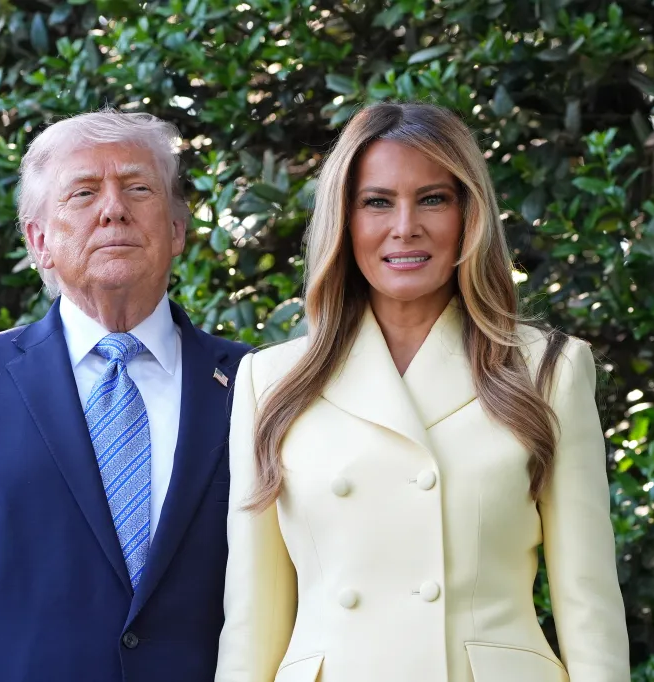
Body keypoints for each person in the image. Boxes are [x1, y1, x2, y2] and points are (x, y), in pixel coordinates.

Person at [215, 102, 629, 682]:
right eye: (377, 202)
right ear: (344, 218)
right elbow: (253, 620)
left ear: (469, 215)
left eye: (433, 198)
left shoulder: (549, 369)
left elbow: (589, 606)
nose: (404, 226)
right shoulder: (272, 381)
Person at [0, 110, 249, 682]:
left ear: (178, 229)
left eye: (138, 188)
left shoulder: (259, 385)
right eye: (83, 193)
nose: (114, 209)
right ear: (39, 242)